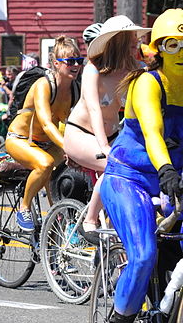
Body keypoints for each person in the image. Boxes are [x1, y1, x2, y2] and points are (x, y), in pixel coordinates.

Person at [98, 9, 183, 323]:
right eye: (173, 43)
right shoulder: (149, 82)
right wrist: (165, 170)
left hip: (173, 180)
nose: (181, 51)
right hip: (129, 176)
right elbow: (152, 132)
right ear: (159, 49)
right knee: (144, 254)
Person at [64, 16, 149, 240]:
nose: (136, 41)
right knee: (115, 165)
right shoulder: (94, 69)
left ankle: (114, 250)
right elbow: (94, 109)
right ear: (117, 40)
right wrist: (104, 146)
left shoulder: (138, 70)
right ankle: (89, 220)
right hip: (80, 135)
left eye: (136, 37)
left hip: (113, 136)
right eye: (130, 37)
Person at [5, 36, 81, 230]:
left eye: (78, 61)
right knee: (45, 164)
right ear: (56, 63)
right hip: (20, 139)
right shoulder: (44, 85)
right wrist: (68, 147)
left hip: (47, 143)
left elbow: (77, 121)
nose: (75, 65)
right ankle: (24, 207)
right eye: (70, 61)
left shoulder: (75, 88)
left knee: (65, 177)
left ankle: (58, 226)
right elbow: (47, 124)